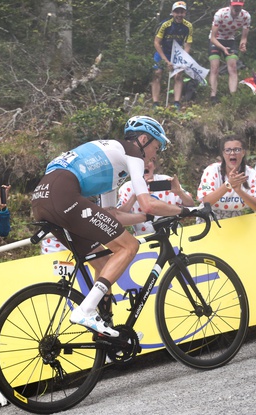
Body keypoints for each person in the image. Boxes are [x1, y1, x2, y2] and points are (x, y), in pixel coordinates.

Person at [31, 116, 187, 337]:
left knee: (104, 262)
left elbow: (112, 214)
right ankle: (85, 309)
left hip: (43, 199)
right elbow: (147, 202)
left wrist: (145, 218)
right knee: (128, 246)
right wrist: (185, 211)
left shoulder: (111, 161)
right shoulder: (132, 154)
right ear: (143, 139)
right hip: (62, 195)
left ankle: (105, 329)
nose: (155, 154)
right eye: (156, 147)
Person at [117, 160, 194, 235]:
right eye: (141, 162)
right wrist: (135, 196)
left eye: (148, 161)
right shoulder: (127, 187)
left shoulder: (165, 180)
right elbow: (119, 216)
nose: (145, 164)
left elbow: (191, 205)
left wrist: (179, 192)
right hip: (146, 237)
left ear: (154, 165)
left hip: (173, 233)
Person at [197, 135, 256, 220]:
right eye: (228, 150)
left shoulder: (252, 174)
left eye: (237, 150)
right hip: (210, 214)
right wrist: (228, 184)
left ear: (243, 153)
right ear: (223, 154)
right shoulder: (212, 170)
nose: (232, 153)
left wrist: (239, 190)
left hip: (236, 217)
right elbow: (207, 202)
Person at [151, 1, 193, 110]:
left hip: (177, 53)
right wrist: (166, 61)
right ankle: (155, 102)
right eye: (177, 12)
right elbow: (156, 42)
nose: (179, 15)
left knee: (178, 75)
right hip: (163, 51)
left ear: (185, 13)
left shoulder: (188, 26)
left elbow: (187, 44)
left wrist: (182, 59)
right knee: (157, 73)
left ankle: (176, 102)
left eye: (182, 12)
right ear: (172, 13)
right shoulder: (165, 24)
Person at [208, 0, 251, 104]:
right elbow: (213, 38)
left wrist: (243, 44)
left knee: (233, 67)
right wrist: (223, 48)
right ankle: (213, 96)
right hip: (216, 40)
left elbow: (244, 37)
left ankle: (233, 95)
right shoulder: (220, 14)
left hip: (230, 40)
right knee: (215, 67)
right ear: (231, 5)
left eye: (239, 7)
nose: (237, 9)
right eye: (235, 6)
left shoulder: (246, 16)